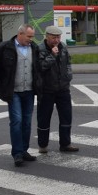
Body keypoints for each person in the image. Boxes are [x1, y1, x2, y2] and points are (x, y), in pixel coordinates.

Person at [0, 24, 40, 167]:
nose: (31, 39)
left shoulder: (34, 48)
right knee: (17, 120)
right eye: (29, 36)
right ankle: (17, 153)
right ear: (20, 34)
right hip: (13, 91)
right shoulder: (5, 48)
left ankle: (24, 150)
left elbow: (38, 70)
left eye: (32, 36)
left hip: (29, 91)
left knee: (27, 122)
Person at [36, 26, 78, 154]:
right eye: (53, 37)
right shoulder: (40, 49)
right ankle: (43, 145)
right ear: (47, 36)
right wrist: (52, 55)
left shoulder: (63, 47)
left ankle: (65, 144)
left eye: (58, 37)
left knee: (66, 117)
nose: (56, 40)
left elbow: (68, 63)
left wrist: (69, 77)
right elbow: (40, 67)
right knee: (44, 118)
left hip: (63, 89)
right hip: (46, 90)